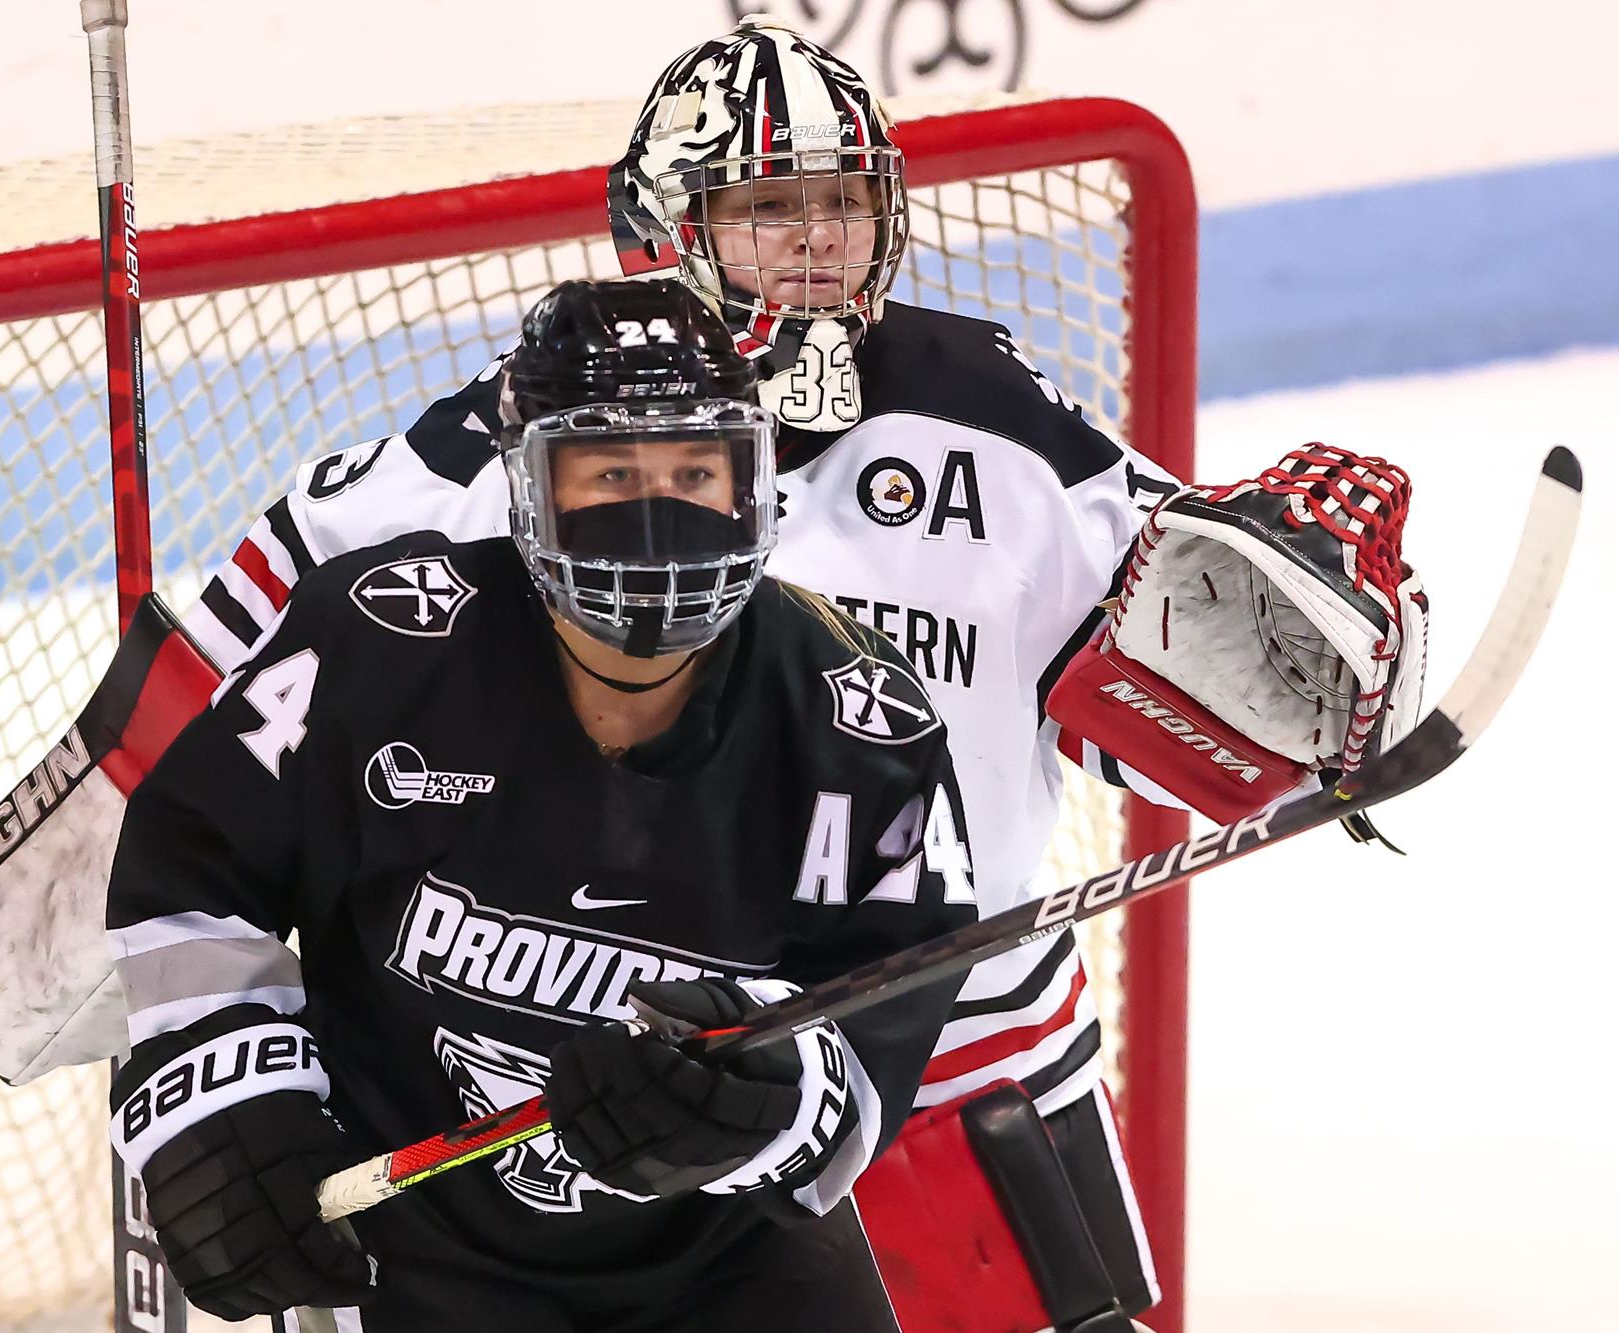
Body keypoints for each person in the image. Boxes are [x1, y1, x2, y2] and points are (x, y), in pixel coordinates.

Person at [183, 15, 1169, 1320]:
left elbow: (1198, 683)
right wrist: (205, 1062)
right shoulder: (495, 462)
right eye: (769, 204)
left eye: (843, 202)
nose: (820, 239)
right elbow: (190, 758)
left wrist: (1330, 644)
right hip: (607, 1108)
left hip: (959, 1075)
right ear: (661, 229)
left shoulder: (996, 427)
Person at [106, 278, 980, 1330]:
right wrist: (223, 1102)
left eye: (696, 471)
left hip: (729, 1266)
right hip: (418, 1257)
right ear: (526, 486)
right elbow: (192, 868)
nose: (657, 516)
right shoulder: (375, 648)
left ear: (753, 483)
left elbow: (877, 1013)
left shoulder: (852, 718)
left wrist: (758, 1097)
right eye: (609, 470)